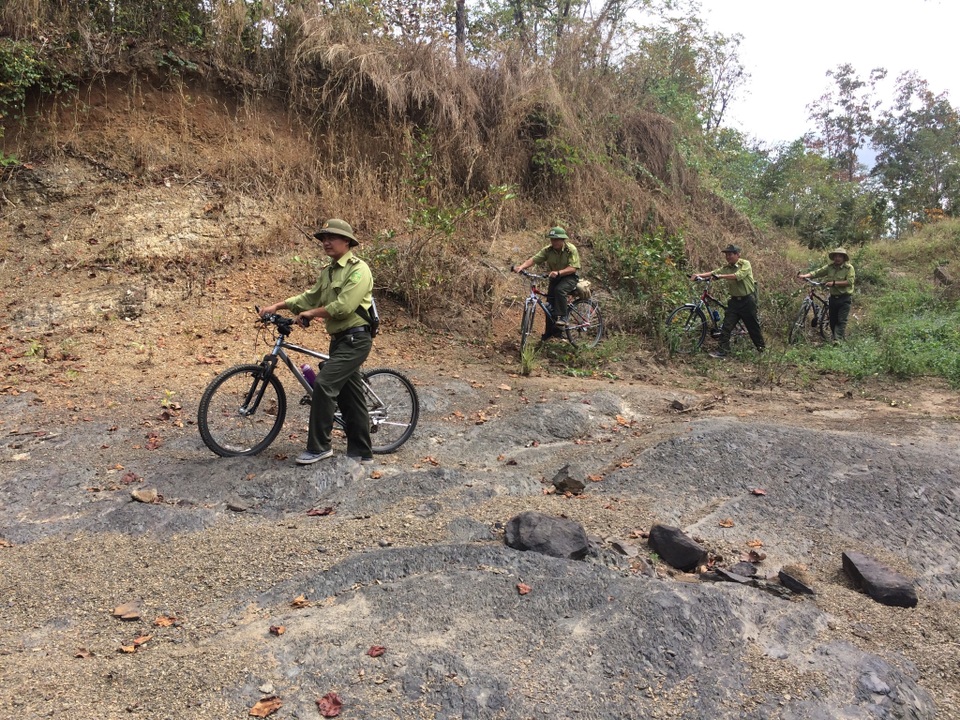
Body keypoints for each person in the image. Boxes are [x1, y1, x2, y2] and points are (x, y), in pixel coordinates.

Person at [259, 219, 375, 465]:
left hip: (357, 339)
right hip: (340, 340)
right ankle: (362, 452)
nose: (326, 242)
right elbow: (309, 297)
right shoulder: (329, 271)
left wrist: (312, 314)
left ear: (347, 241)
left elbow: (343, 307)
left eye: (332, 237)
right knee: (350, 395)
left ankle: (319, 447)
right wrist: (277, 306)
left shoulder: (359, 269)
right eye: (323, 238)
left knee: (323, 384)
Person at [690, 244, 765, 358]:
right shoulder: (727, 267)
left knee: (753, 327)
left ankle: (761, 350)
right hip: (734, 302)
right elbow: (714, 272)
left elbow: (737, 275)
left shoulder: (745, 264)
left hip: (747, 301)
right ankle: (723, 351)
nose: (728, 257)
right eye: (726, 255)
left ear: (737, 255)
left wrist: (720, 276)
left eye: (730, 254)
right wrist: (698, 275)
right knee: (726, 327)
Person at [512, 226, 581, 341]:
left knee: (560, 290)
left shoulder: (570, 249)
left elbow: (573, 268)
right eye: (552, 239)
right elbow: (534, 259)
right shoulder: (548, 250)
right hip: (554, 278)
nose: (553, 242)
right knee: (549, 306)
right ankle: (551, 333)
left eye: (556, 240)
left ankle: (563, 318)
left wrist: (559, 272)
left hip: (569, 278)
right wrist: (521, 267)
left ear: (562, 240)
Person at [798, 247, 855, 342]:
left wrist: (833, 283)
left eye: (840, 256)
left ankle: (837, 340)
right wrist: (805, 276)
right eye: (836, 256)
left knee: (841, 320)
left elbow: (849, 282)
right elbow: (817, 272)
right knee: (832, 320)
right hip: (833, 298)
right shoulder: (830, 267)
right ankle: (835, 337)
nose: (837, 258)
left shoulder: (849, 268)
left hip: (844, 298)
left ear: (844, 258)